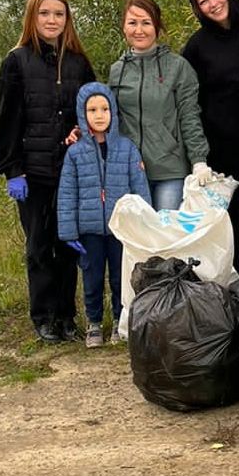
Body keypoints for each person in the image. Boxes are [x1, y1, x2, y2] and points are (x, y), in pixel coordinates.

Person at [0, 0, 95, 344]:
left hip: (70, 170)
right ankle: (43, 316)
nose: (51, 20)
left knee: (68, 242)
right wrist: (12, 170)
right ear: (32, 17)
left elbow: (93, 110)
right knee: (39, 245)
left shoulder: (79, 63)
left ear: (67, 19)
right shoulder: (17, 61)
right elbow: (7, 121)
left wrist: (79, 132)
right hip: (32, 172)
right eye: (44, 13)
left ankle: (67, 315)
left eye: (58, 14)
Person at [57, 82, 151, 347]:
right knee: (92, 277)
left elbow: (139, 188)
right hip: (89, 231)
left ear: (113, 112)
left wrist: (143, 223)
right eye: (92, 110)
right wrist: (68, 231)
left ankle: (121, 320)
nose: (99, 115)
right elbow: (67, 194)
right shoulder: (75, 153)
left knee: (121, 278)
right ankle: (94, 323)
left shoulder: (127, 148)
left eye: (104, 109)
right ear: (82, 114)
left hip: (120, 230)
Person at [182, 0, 239, 272]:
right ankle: (235, 281)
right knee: (230, 218)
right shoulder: (197, 47)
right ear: (198, 10)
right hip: (222, 148)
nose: (213, 4)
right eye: (203, 1)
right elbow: (187, 99)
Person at [108, 0, 211, 211]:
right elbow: (110, 122)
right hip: (131, 172)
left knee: (166, 238)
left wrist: (199, 159)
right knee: (138, 241)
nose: (139, 30)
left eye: (146, 23)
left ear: (157, 26)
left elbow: (189, 115)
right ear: (124, 27)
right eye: (132, 23)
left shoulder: (178, 67)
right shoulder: (117, 71)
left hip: (170, 170)